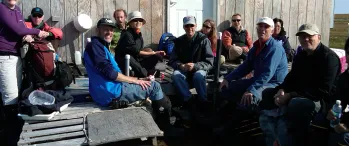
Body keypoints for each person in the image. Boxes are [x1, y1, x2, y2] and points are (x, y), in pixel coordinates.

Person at [84, 18, 182, 136]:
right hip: (112, 93)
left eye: (111, 30)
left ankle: (165, 114)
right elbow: (110, 73)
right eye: (105, 29)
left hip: (107, 90)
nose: (109, 32)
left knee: (148, 82)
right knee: (155, 86)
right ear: (97, 30)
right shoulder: (95, 46)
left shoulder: (100, 46)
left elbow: (112, 74)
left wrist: (139, 80)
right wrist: (135, 80)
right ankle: (167, 128)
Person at [259, 23, 341, 146]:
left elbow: (323, 91)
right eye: (302, 36)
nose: (305, 39)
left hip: (319, 100)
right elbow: (291, 77)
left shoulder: (329, 58)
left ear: (318, 37)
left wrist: (290, 95)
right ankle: (273, 136)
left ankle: (296, 140)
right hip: (298, 93)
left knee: (297, 104)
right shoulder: (301, 55)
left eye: (309, 36)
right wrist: (282, 90)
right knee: (266, 93)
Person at [0, 0, 48, 145]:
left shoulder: (17, 10)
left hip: (15, 56)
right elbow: (18, 29)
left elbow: (21, 29)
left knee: (15, 94)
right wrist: (37, 31)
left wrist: (25, 37)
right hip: (4, 57)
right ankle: (10, 137)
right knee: (10, 97)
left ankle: (12, 131)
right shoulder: (1, 8)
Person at [219, 17, 288, 110]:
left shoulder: (275, 48)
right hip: (258, 81)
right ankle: (227, 113)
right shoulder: (256, 47)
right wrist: (228, 79)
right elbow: (245, 67)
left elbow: (267, 74)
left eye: (266, 27)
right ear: (257, 29)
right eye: (260, 26)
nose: (262, 29)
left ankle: (241, 120)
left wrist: (251, 89)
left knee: (250, 98)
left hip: (273, 84)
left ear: (272, 31)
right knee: (227, 88)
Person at [169, 16, 214, 107]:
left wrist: (195, 66)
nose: (190, 28)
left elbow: (209, 62)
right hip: (184, 69)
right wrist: (181, 65)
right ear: (183, 27)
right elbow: (172, 60)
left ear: (196, 26)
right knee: (176, 75)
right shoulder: (179, 41)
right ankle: (189, 100)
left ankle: (203, 101)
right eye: (187, 26)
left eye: (192, 25)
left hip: (199, 68)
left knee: (198, 76)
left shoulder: (203, 40)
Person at [115, 11, 165, 78]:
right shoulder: (127, 34)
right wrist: (154, 53)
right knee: (141, 69)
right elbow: (136, 51)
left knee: (156, 57)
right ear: (130, 23)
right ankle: (145, 73)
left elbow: (139, 50)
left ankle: (149, 73)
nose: (138, 22)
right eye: (135, 20)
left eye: (140, 20)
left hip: (136, 59)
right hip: (126, 60)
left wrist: (155, 54)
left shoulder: (139, 34)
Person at [326, 36, 349, 146]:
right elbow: (338, 99)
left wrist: (347, 126)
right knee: (320, 121)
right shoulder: (344, 77)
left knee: (344, 138)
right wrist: (331, 110)